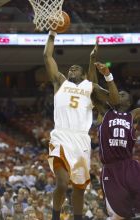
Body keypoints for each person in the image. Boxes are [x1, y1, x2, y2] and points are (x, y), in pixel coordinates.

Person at [43, 30, 120, 220]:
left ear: (84, 74)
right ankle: (55, 217)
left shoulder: (90, 87)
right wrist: (53, 33)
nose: (72, 69)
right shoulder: (60, 81)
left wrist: (108, 76)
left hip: (81, 140)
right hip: (61, 136)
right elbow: (47, 55)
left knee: (79, 189)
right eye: (70, 68)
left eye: (76, 68)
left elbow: (115, 100)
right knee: (62, 183)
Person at [88, 45, 140, 219]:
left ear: (129, 101)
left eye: (124, 94)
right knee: (120, 214)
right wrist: (92, 61)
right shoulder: (104, 111)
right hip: (111, 169)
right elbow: (92, 87)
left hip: (130, 165)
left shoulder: (134, 114)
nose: (120, 94)